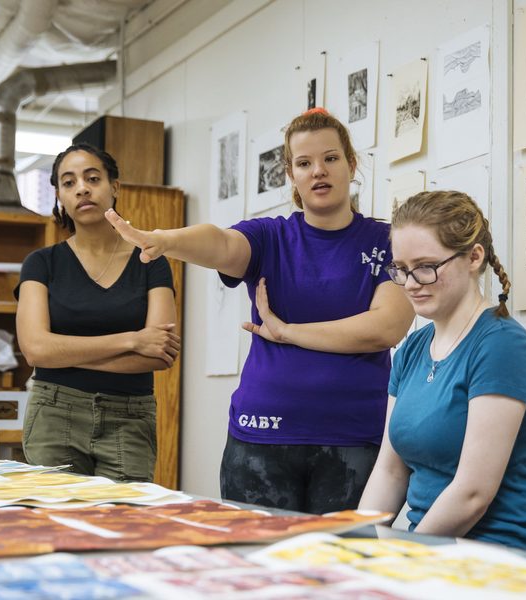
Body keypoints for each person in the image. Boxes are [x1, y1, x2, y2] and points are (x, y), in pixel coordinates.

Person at [105, 108, 414, 513]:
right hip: (261, 439)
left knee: (339, 571)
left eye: (331, 158)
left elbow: (386, 328)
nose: (318, 171)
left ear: (351, 164)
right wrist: (165, 239)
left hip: (355, 439)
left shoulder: (389, 240)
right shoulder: (269, 237)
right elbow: (220, 242)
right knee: (256, 568)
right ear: (291, 174)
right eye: (304, 163)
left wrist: (287, 332)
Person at [359, 190, 526, 552]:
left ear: (473, 257)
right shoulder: (412, 351)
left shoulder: (502, 347)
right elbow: (390, 471)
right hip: (433, 546)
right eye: (401, 270)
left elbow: (472, 493)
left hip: (505, 549)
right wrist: (357, 542)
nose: (412, 283)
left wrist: (406, 554)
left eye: (425, 266)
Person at [15, 143, 180, 482]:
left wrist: (61, 353)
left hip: (129, 416)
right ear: (60, 195)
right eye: (69, 182)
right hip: (53, 414)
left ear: (114, 187)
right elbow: (35, 349)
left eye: (92, 178)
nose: (82, 188)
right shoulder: (41, 263)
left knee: (124, 527)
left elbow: (160, 353)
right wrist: (132, 340)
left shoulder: (150, 261)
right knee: (58, 528)